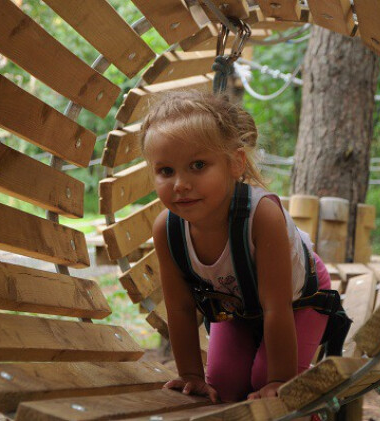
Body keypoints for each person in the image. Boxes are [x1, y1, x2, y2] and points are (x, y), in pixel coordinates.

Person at [139, 90, 332, 403]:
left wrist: (279, 381)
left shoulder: (261, 216)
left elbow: (276, 306)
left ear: (236, 162)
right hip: (239, 308)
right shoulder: (168, 229)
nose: (180, 184)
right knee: (224, 387)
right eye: (166, 171)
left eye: (198, 165)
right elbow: (181, 308)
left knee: (269, 387)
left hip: (299, 300)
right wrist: (191, 374)